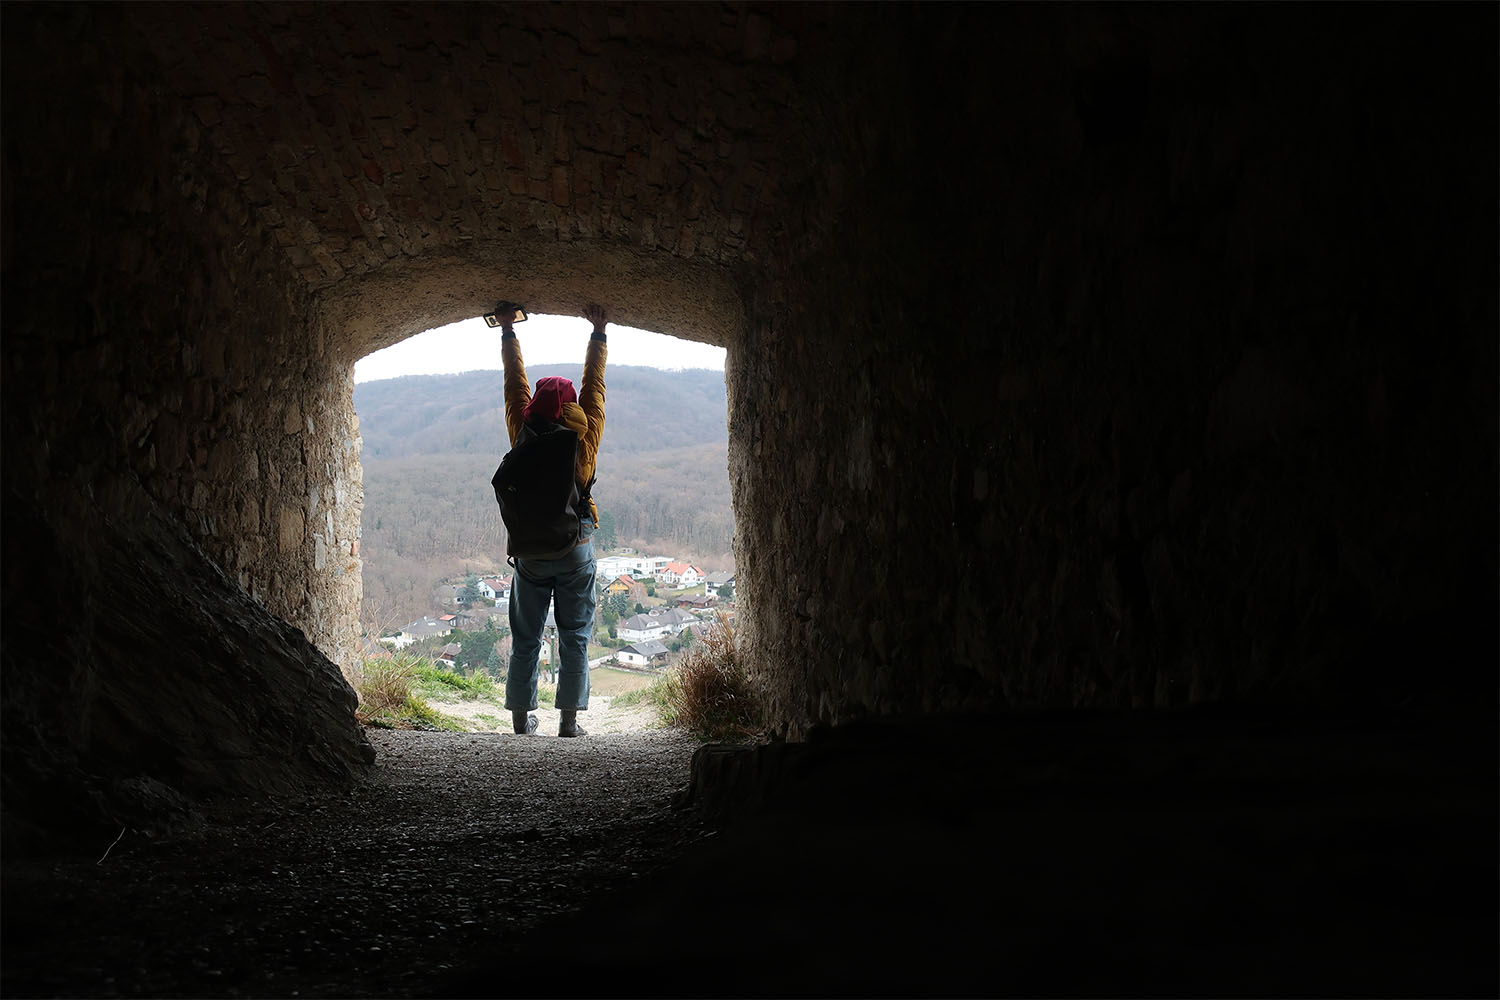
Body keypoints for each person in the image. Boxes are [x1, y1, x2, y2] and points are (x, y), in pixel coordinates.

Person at [499, 303, 608, 737]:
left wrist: (508, 332)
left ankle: (521, 720)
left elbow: (514, 386)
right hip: (574, 545)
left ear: (535, 409)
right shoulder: (584, 439)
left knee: (526, 634)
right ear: (571, 408)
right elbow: (594, 388)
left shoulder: (520, 434)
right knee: (574, 633)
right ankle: (568, 722)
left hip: (529, 549)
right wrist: (598, 332)